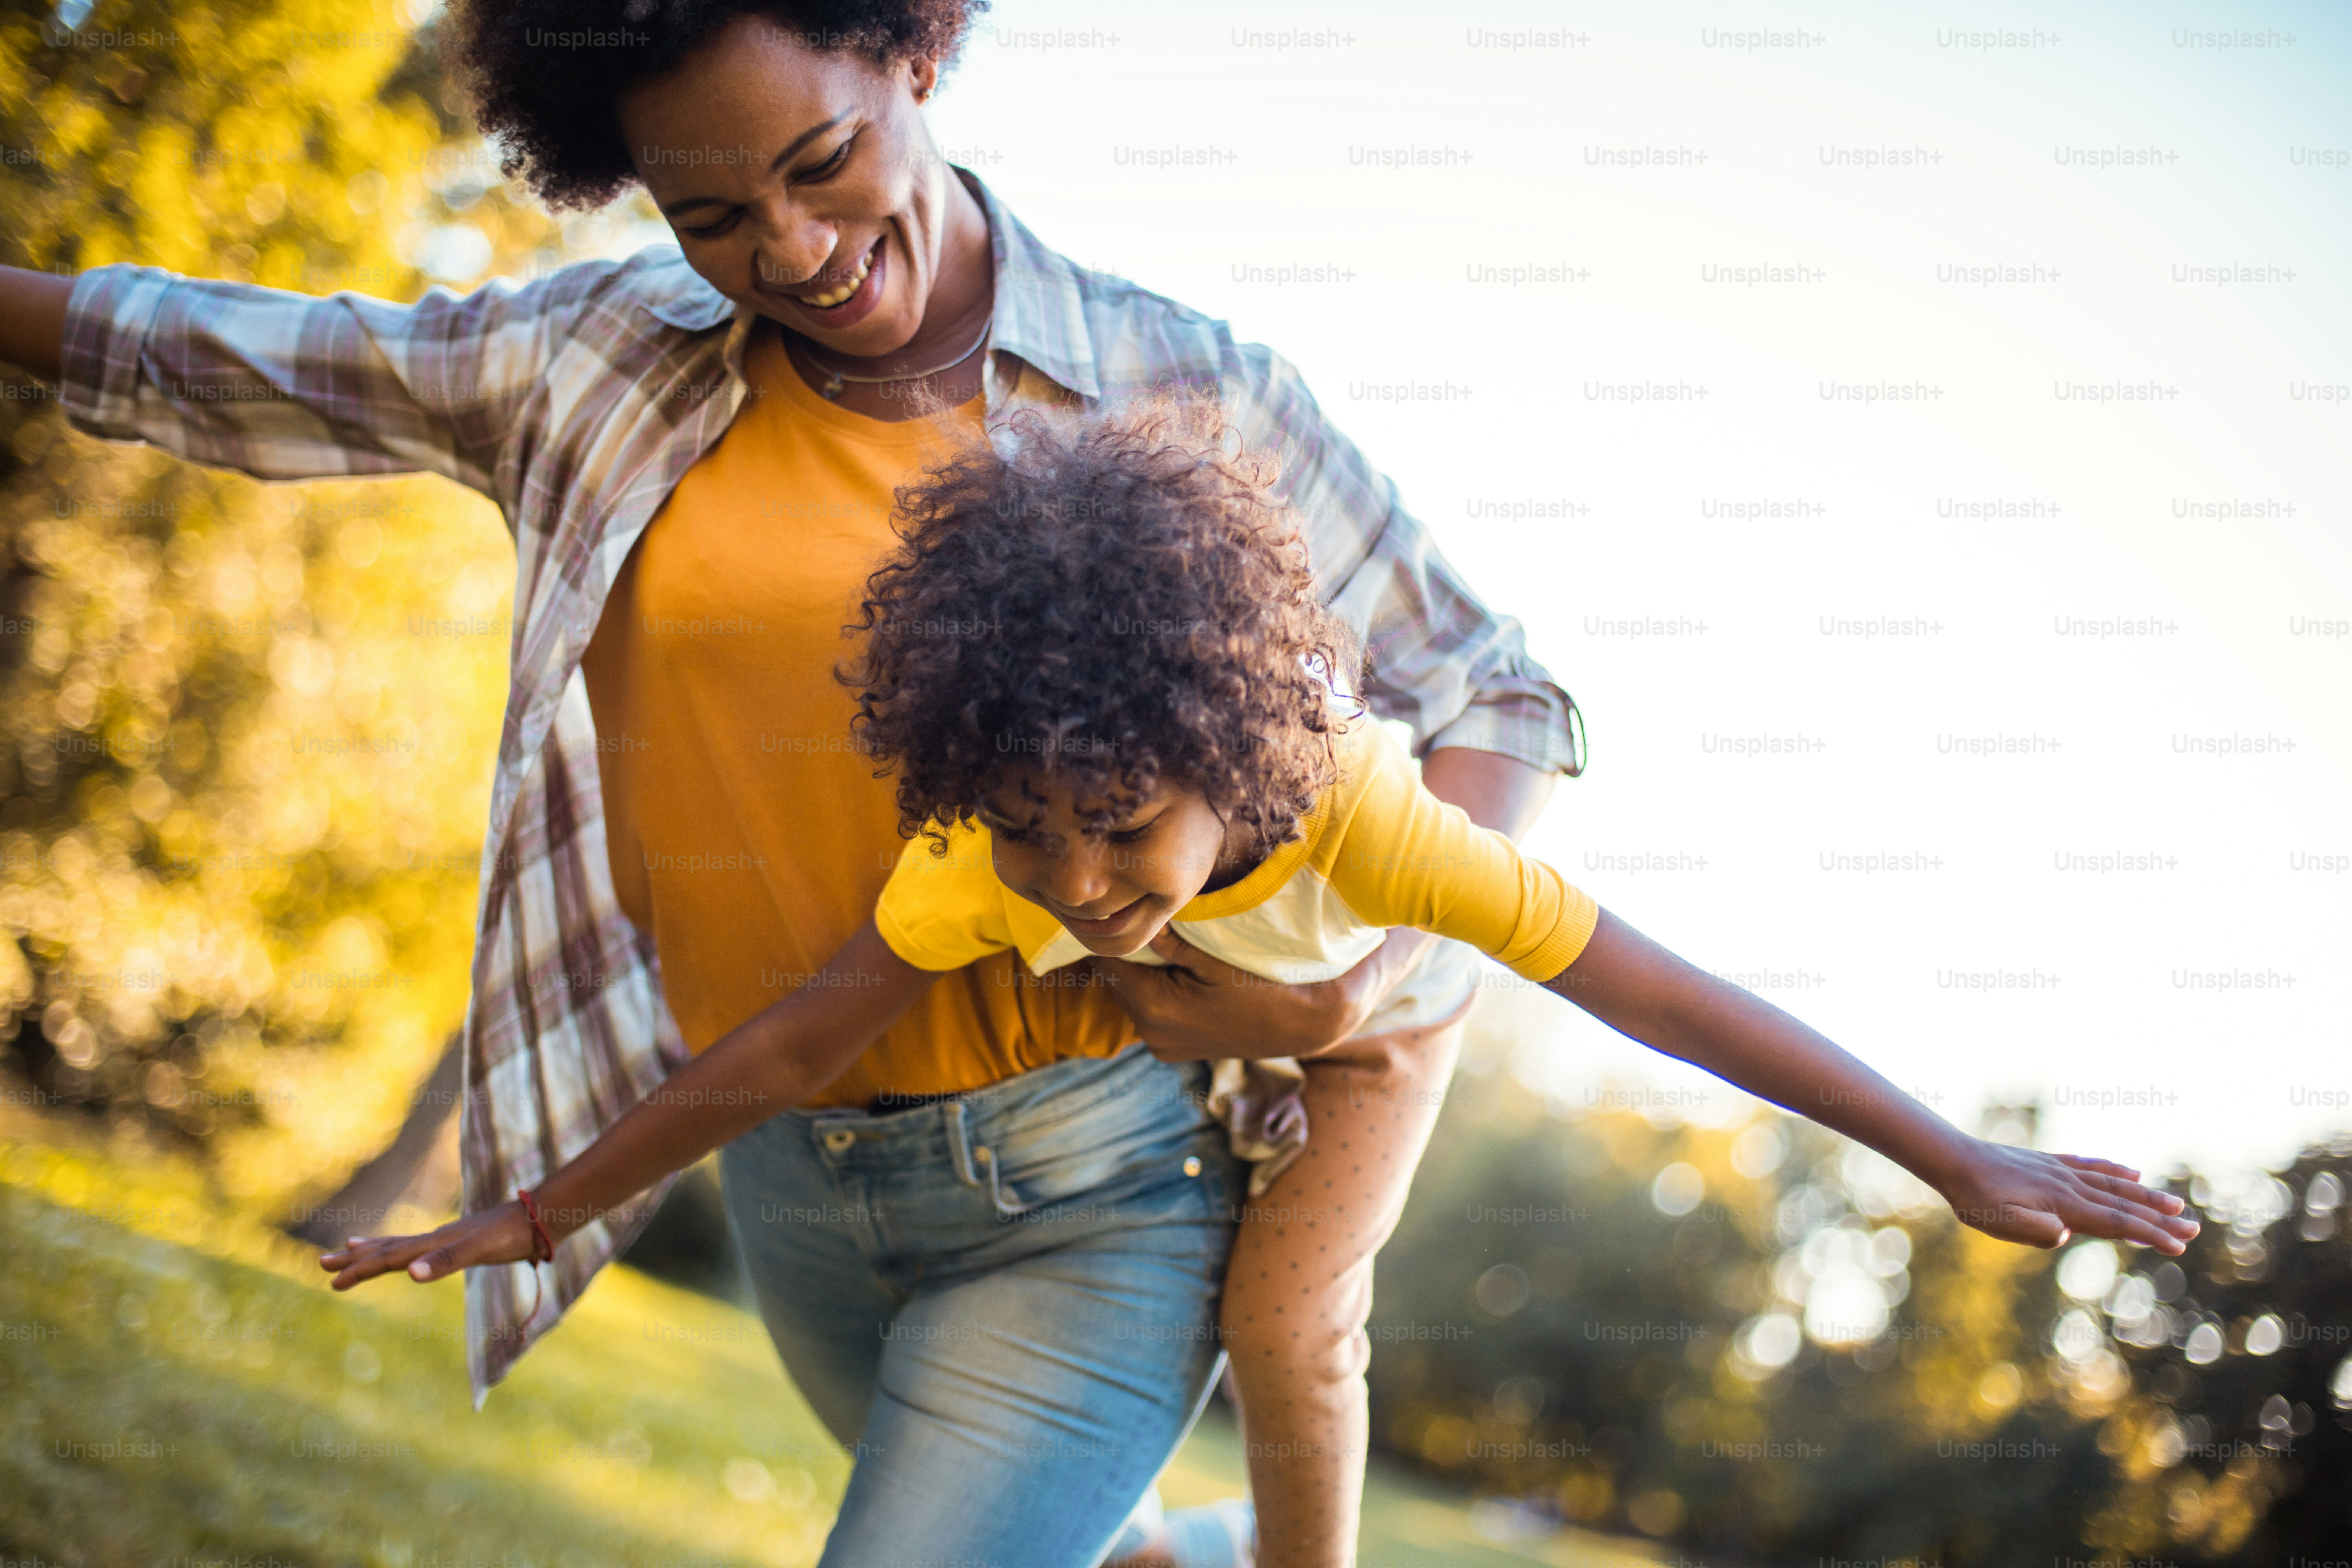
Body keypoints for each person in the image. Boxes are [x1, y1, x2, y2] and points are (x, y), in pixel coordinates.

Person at [0, 4, 1581, 1562]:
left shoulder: (1181, 386)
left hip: (1098, 1175)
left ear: (914, 52)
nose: (794, 246)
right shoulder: (588, 360)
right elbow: (223, 351)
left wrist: (1361, 983)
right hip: (783, 1163)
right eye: (711, 216)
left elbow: (1492, 686)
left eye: (823, 163)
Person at [322, 399, 2201, 1563]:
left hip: (1365, 1035)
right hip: (1194, 1055)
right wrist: (554, 1207)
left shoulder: (1378, 834)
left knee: (1290, 1323)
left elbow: (1654, 989)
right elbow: (802, 1028)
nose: (1075, 887)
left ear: (1228, 757)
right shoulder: (995, 859)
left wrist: (1951, 1155)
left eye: (1121, 828)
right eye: (1028, 833)